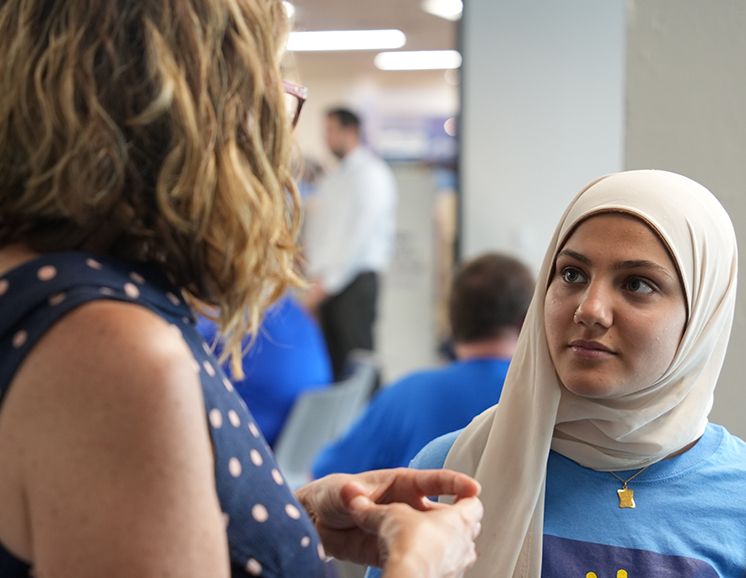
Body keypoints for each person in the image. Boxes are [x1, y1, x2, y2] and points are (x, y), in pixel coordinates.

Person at [0, 1, 485, 577]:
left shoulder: (46, 296)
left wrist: (287, 521)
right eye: (270, 92)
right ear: (195, 115)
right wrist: (420, 566)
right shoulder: (116, 352)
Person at [369, 169, 746, 578]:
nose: (590, 309)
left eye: (637, 283)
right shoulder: (452, 471)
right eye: (572, 274)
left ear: (703, 318)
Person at [312, 253, 534, 477]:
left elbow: (326, 478)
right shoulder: (544, 398)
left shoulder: (402, 395)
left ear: (453, 319)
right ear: (526, 321)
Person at [302, 108, 398, 380]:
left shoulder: (372, 174)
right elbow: (324, 233)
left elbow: (358, 240)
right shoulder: (333, 178)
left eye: (331, 130)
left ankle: (373, 422)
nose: (326, 138)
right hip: (327, 284)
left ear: (351, 132)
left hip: (354, 282)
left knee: (358, 362)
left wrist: (327, 283)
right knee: (334, 363)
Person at [197, 292, 334, 447]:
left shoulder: (231, 322)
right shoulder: (290, 307)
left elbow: (185, 344)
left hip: (258, 438)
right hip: (299, 439)